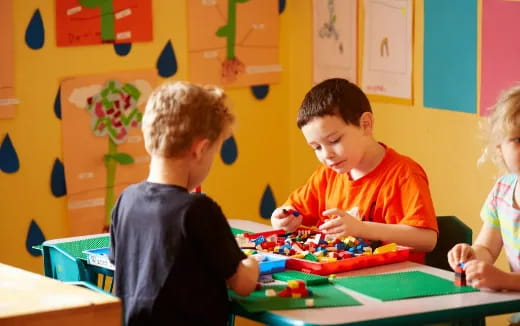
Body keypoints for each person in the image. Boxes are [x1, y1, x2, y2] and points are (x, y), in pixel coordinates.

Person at [109, 81, 259, 326]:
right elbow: (242, 284)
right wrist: (252, 264)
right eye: (214, 152)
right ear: (200, 149)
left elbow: (123, 267)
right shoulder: (198, 210)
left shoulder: (126, 199)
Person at [271, 78, 438, 263]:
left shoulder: (404, 174)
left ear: (365, 125)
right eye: (316, 147)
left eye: (334, 141)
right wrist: (281, 218)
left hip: (395, 280)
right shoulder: (328, 174)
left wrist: (361, 228)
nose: (327, 155)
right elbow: (292, 210)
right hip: (340, 276)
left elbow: (427, 239)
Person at [448, 85, 520, 293]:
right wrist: (471, 255)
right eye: (518, 140)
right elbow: (487, 248)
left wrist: (505, 280)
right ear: (500, 147)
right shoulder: (502, 191)